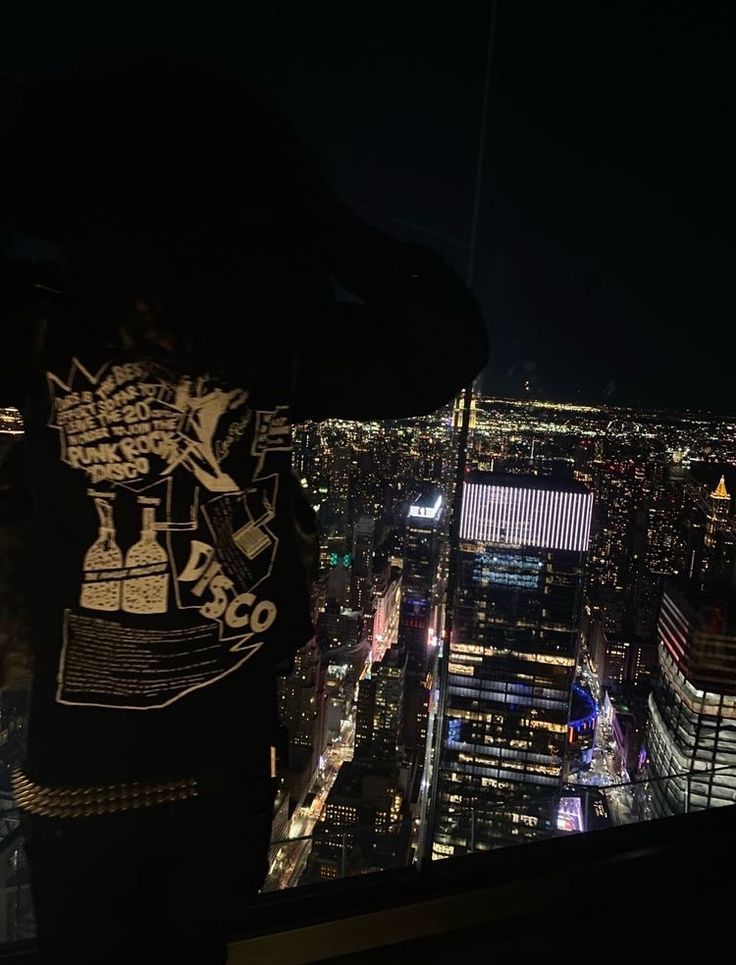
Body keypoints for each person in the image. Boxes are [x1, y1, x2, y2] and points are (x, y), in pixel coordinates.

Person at [0, 49, 489, 964]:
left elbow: (444, 347)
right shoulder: (262, 344)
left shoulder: (59, 327)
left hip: (111, 776)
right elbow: (441, 340)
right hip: (196, 772)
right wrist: (316, 221)